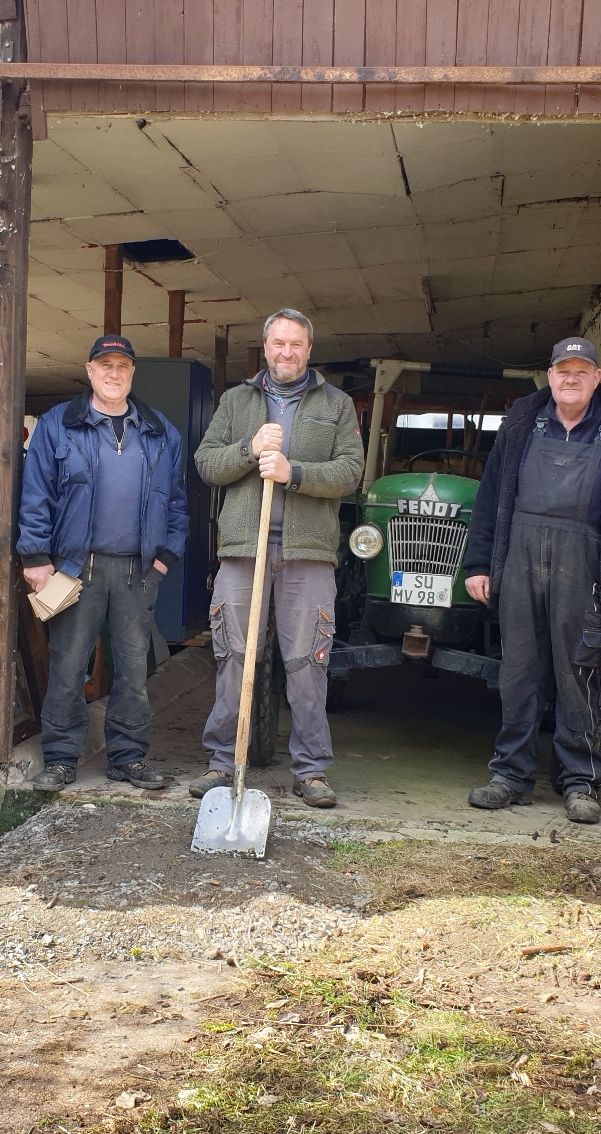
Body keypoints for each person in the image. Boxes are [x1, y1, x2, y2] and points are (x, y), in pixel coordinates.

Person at [459, 337, 601, 825]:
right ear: (550, 375)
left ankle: (580, 780)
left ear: (597, 376)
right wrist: (480, 563)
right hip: (521, 551)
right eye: (562, 370)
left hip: (586, 558)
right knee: (520, 670)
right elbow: (489, 496)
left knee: (581, 671)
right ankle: (510, 775)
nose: (571, 379)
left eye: (581, 371)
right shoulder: (523, 419)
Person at [191, 309, 364, 808]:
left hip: (306, 553)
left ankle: (311, 770)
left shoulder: (336, 405)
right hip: (245, 550)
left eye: (296, 345)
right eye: (278, 344)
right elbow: (207, 464)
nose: (286, 352)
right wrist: (249, 449)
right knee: (232, 657)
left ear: (309, 350)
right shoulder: (236, 401)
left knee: (308, 660)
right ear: (265, 347)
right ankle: (223, 762)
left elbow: (351, 471)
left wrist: (295, 472)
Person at [17, 334, 192, 793]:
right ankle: (59, 758)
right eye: (105, 366)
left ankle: (128, 758)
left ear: (132, 373)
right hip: (75, 568)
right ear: (90, 370)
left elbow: (177, 500)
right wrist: (35, 557)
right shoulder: (59, 424)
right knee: (69, 665)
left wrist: (166, 557)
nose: (114, 374)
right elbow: (35, 495)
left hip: (138, 570)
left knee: (134, 668)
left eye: (122, 366)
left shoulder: (159, 431)